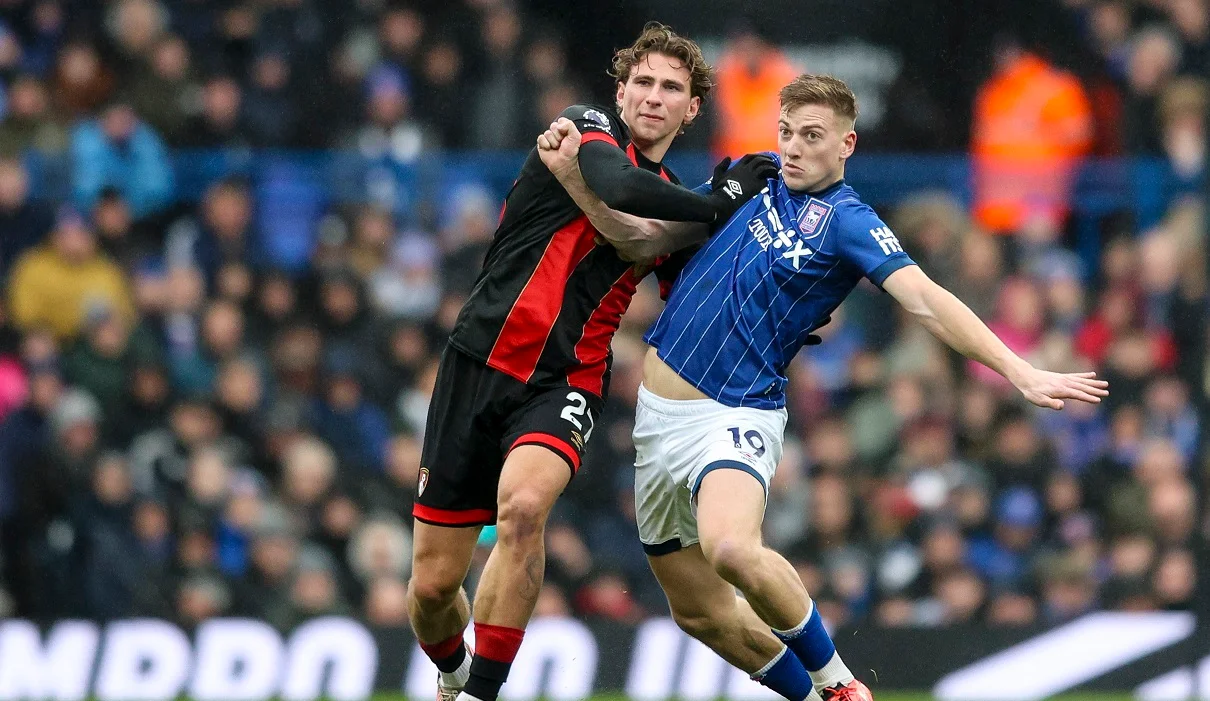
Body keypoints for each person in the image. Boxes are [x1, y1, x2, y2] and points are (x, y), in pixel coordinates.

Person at [535, 73, 1109, 701]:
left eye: (813, 136)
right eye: (787, 132)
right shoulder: (751, 178)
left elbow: (924, 299)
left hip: (735, 410)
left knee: (731, 548)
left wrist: (1018, 369)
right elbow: (644, 239)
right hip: (656, 418)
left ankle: (838, 683)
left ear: (847, 145)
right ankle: (812, 698)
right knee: (698, 614)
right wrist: (572, 180)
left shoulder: (847, 221)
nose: (795, 147)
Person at [407, 23, 778, 701]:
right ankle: (455, 668)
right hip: (477, 359)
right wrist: (720, 200)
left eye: (673, 88)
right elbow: (621, 194)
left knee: (521, 509)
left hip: (565, 377)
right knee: (431, 589)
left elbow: (666, 254)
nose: (655, 97)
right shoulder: (585, 125)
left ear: (694, 108)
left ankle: (481, 691)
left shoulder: (674, 206)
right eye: (644, 82)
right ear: (621, 89)